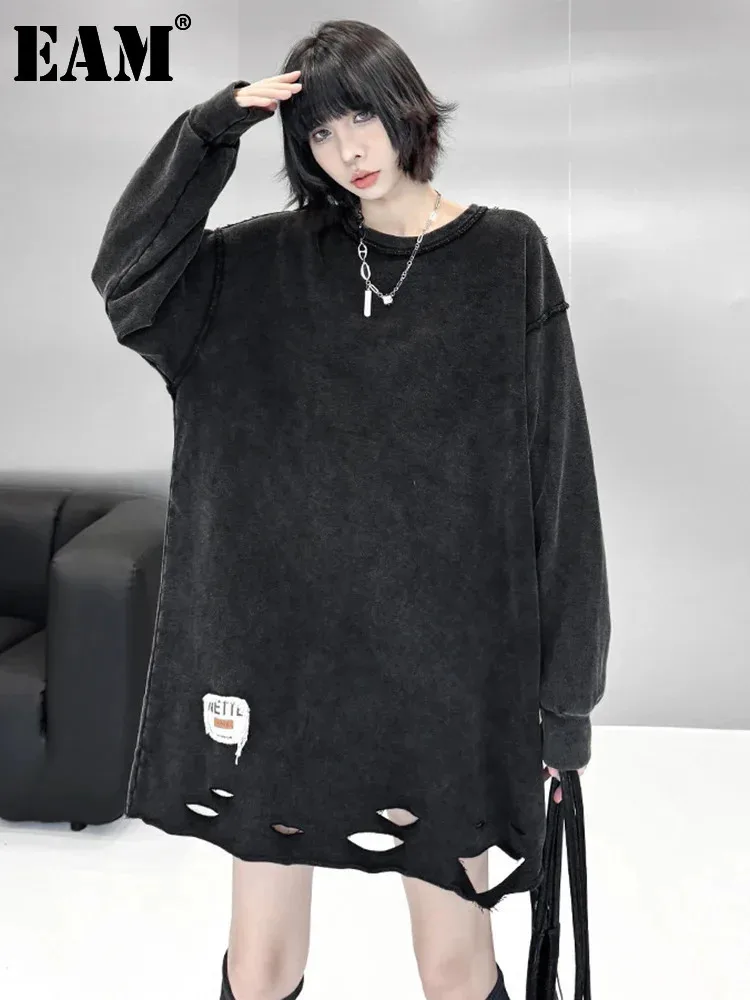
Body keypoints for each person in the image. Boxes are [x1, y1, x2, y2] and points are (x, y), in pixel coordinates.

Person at [90, 18, 609, 1000]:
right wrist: (206, 134)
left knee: (454, 965)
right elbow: (128, 281)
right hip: (285, 666)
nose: (348, 151)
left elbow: (559, 483)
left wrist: (565, 708)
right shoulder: (260, 267)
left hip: (440, 676)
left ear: (405, 106)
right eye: (320, 134)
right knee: (263, 962)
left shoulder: (506, 257)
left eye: (361, 117)